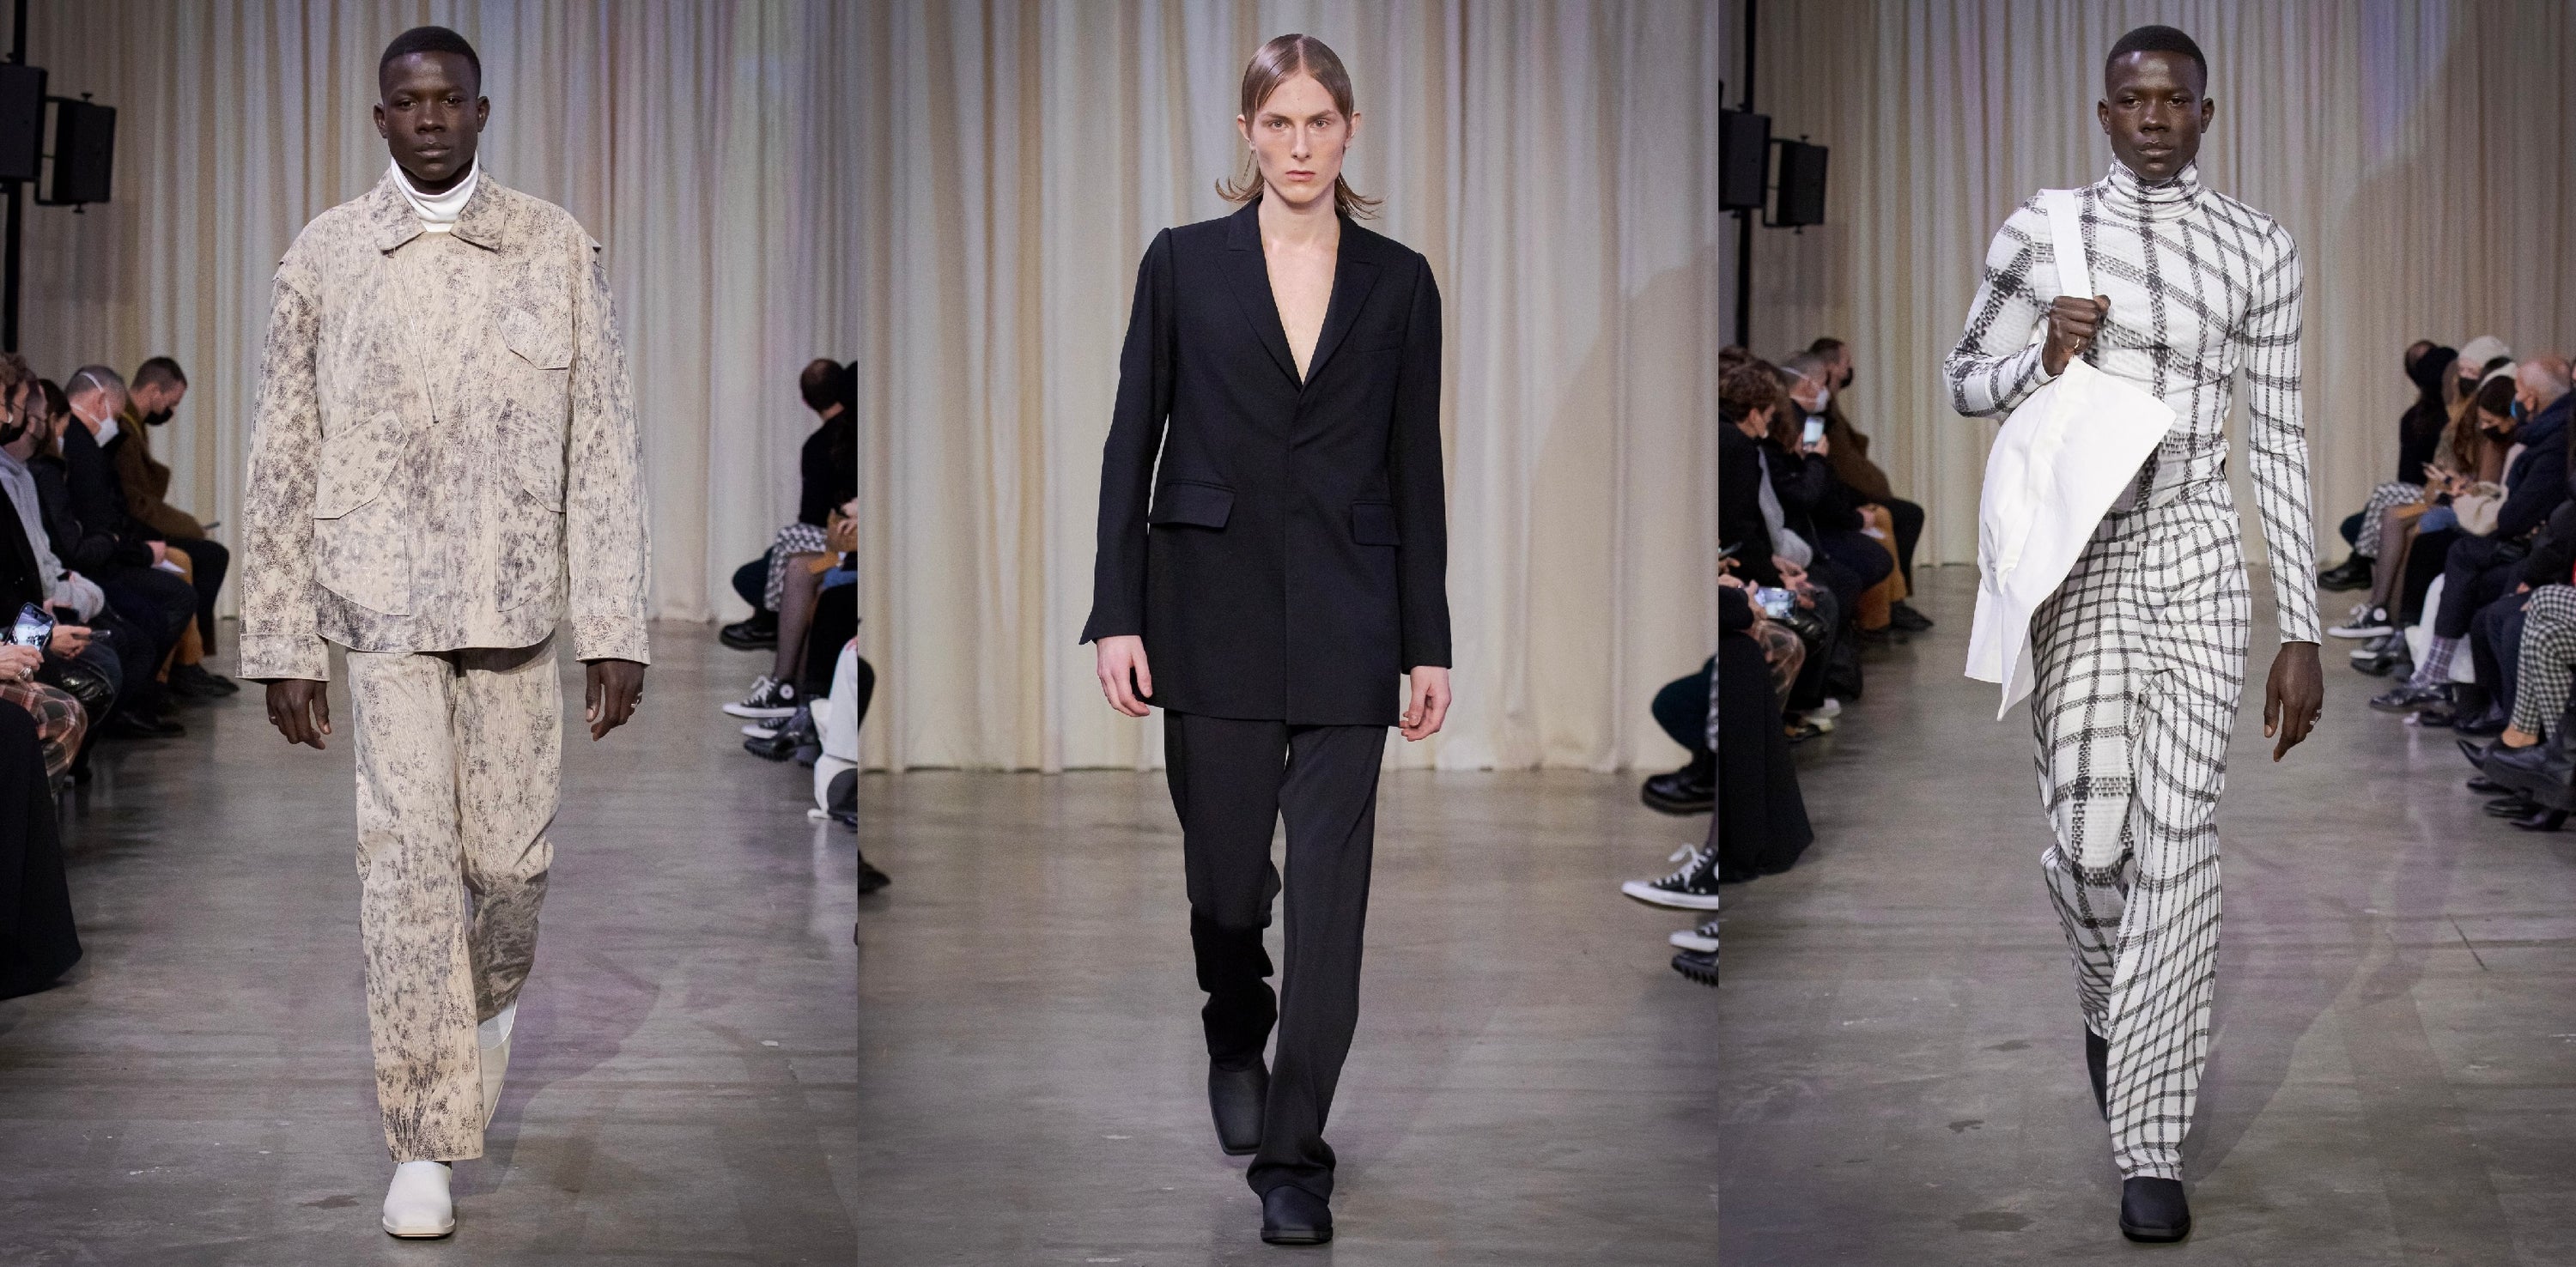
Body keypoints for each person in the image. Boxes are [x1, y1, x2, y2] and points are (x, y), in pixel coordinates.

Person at [237, 26, 650, 1241]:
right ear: (380, 118)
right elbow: (282, 448)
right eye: (407, 102)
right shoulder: (326, 253)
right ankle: (422, 1142)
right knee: (408, 864)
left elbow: (603, 442)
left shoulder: (553, 246)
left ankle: (471, 1020)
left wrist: (614, 623)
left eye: (449, 100)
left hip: (514, 602)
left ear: (481, 111)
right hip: (381, 604)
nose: (429, 119)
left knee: (511, 872)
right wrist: (282, 641)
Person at [1940, 25, 2322, 1244]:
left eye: (2175, 100)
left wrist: (2302, 623)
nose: (2154, 118)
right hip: (2080, 560)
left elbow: (2278, 434)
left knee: (2181, 847)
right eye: (2133, 100)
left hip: (2199, 552)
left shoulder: (2259, 246)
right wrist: (2038, 356)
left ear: (2206, 112)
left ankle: (2151, 1139)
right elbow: (1962, 377)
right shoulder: (2042, 230)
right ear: (2104, 114)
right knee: (2090, 846)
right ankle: (2112, 1006)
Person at [1079, 33, 1449, 1248]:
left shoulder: (1400, 282)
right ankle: (1234, 1023)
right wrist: (1117, 612)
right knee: (1227, 884)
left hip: (1351, 616)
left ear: (1351, 131)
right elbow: (1131, 440)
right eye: (1278, 123)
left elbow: (1416, 467)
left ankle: (1296, 1162)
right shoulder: (1184, 265)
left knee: (1331, 913)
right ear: (1247, 133)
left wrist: (1429, 640)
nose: (1299, 146)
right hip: (1209, 609)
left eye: (1319, 123)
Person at [114, 356, 236, 683]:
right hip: (133, 532)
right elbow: (137, 503)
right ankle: (186, 664)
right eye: (173, 402)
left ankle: (191, 659)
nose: (172, 410)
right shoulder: (124, 430)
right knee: (208, 556)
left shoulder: (133, 425)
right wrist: (191, 527)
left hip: (138, 527)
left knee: (210, 555)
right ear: (154, 391)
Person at [720, 359, 854, 653]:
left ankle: (770, 621)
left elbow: (812, 519)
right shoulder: (856, 429)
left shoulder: (821, 444)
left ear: (806, 401)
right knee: (780, 557)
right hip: (837, 546)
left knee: (758, 572)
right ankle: (771, 622)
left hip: (836, 553)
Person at [1806, 336, 1931, 630]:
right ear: (1830, 368)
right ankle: (1891, 606)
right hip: (1836, 502)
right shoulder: (1817, 415)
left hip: (1842, 496)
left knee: (1900, 516)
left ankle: (1895, 602)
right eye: (1846, 363)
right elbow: (1833, 467)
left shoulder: (1828, 408)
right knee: (1903, 516)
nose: (1849, 369)